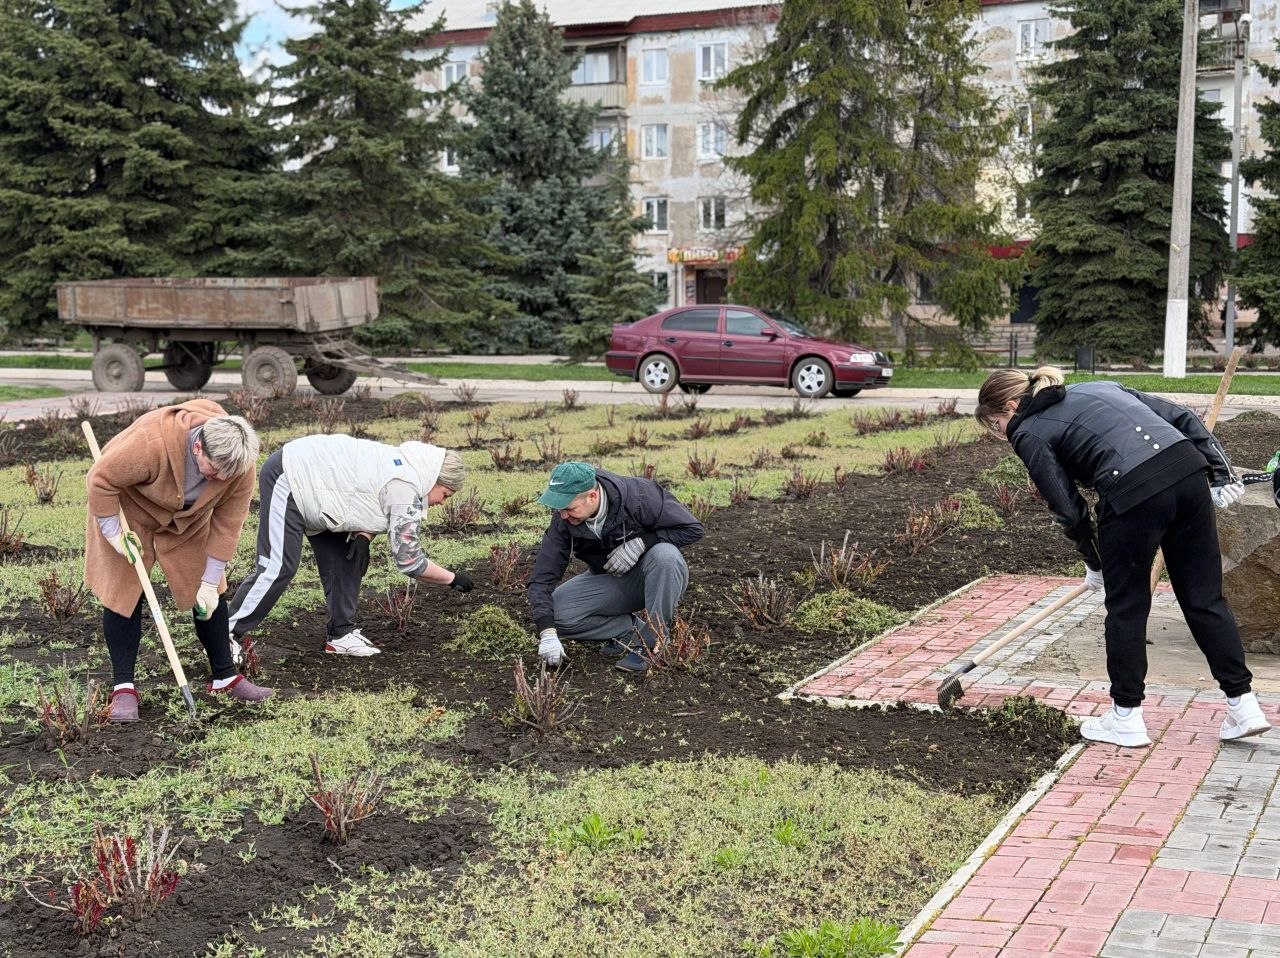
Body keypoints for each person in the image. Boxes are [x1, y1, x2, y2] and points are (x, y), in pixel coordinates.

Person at [976, 366, 1269, 747]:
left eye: (998, 426)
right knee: (1205, 598)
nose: (1003, 435)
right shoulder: (1099, 386)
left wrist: (1094, 562)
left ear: (1012, 406)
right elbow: (1181, 415)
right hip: (1188, 475)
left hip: (1132, 492)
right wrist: (1220, 472)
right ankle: (1244, 706)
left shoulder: (1028, 432)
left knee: (1126, 606)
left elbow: (1067, 508)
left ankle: (1126, 718)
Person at [85, 399, 271, 723]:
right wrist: (114, 534)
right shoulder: (151, 442)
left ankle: (226, 678)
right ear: (198, 446)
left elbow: (227, 527)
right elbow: (101, 480)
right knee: (124, 589)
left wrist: (211, 583)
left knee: (209, 593)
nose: (219, 481)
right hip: (130, 512)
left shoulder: (238, 466)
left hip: (186, 519)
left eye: (226, 477)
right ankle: (123, 689)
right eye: (213, 472)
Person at [227, 434, 474, 658]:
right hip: (291, 475)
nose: (442, 502)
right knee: (279, 566)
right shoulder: (407, 486)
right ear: (434, 479)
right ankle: (226, 633)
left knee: (347, 555)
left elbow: (367, 492)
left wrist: (364, 536)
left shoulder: (410, 466)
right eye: (445, 494)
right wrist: (452, 579)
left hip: (325, 493)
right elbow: (409, 560)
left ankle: (341, 635)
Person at [529, 460, 704, 674]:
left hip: (657, 575)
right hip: (611, 579)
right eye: (559, 508)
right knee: (556, 616)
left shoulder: (639, 495)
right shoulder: (563, 521)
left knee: (665, 555)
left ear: (592, 496)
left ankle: (655, 642)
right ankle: (631, 632)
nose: (563, 515)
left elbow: (692, 528)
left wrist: (643, 543)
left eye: (569, 508)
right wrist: (547, 633)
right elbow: (542, 578)